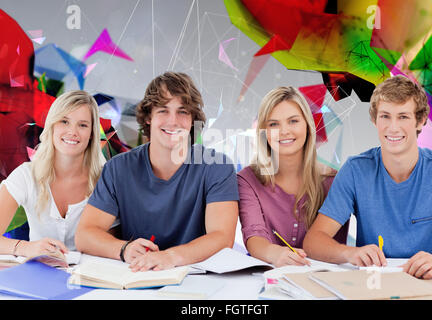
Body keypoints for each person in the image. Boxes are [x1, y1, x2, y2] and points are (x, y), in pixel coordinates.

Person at [75, 72, 239, 271]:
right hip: (136, 274)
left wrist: (170, 257)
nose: (173, 121)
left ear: (192, 120)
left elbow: (222, 238)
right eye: (163, 110)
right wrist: (124, 249)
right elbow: (85, 235)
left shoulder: (217, 167)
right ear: (148, 117)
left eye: (183, 111)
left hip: (195, 279)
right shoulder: (118, 169)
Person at [303, 75, 432, 279]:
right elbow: (313, 241)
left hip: (429, 283)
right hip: (373, 283)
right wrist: (350, 253)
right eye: (385, 116)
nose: (393, 127)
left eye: (403, 117)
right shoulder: (355, 170)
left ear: (421, 120)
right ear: (374, 120)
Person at [238, 86, 348, 267]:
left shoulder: (334, 180)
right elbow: (254, 235)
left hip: (325, 282)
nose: (284, 131)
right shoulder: (247, 180)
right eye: (273, 124)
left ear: (307, 125)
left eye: (293, 121)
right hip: (268, 278)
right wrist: (274, 254)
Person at [0, 90, 105, 256]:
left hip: (90, 277)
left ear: (92, 134)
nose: (73, 132)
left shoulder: (105, 180)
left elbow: (111, 242)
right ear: (52, 125)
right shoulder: (26, 175)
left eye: (83, 125)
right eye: (64, 121)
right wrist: (27, 247)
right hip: (39, 275)